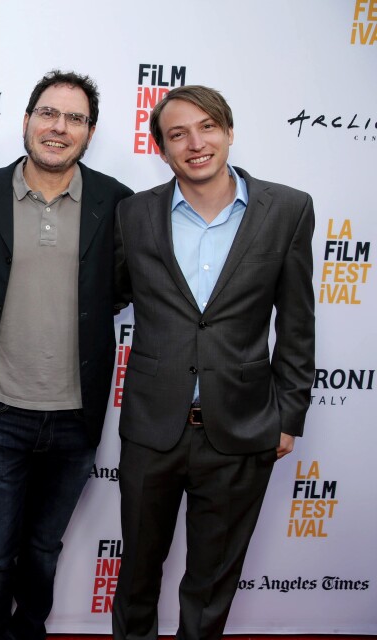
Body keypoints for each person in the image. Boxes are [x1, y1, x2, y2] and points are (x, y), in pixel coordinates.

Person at [111, 85, 315, 640]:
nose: (195, 143)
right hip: (153, 427)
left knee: (211, 583)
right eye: (178, 134)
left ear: (227, 131)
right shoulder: (133, 214)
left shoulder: (288, 209)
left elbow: (296, 323)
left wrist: (289, 415)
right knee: (136, 577)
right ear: (161, 147)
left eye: (206, 127)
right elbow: (107, 296)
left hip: (243, 427)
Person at [0, 69, 133, 640]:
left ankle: (30, 630)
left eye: (74, 118)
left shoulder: (116, 201)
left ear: (90, 131)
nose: (59, 127)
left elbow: (121, 289)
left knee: (43, 549)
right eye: (49, 114)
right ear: (27, 120)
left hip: (76, 417)